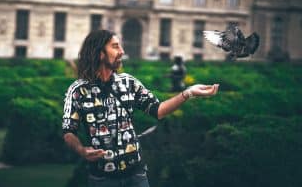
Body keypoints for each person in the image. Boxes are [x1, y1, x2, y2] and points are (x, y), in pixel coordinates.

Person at [62, 30, 219, 187]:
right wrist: (81, 150)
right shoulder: (77, 90)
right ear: (99, 53)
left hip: (137, 176)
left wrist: (188, 93)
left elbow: (158, 110)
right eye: (115, 47)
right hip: (102, 179)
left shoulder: (128, 82)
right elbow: (69, 131)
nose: (122, 51)